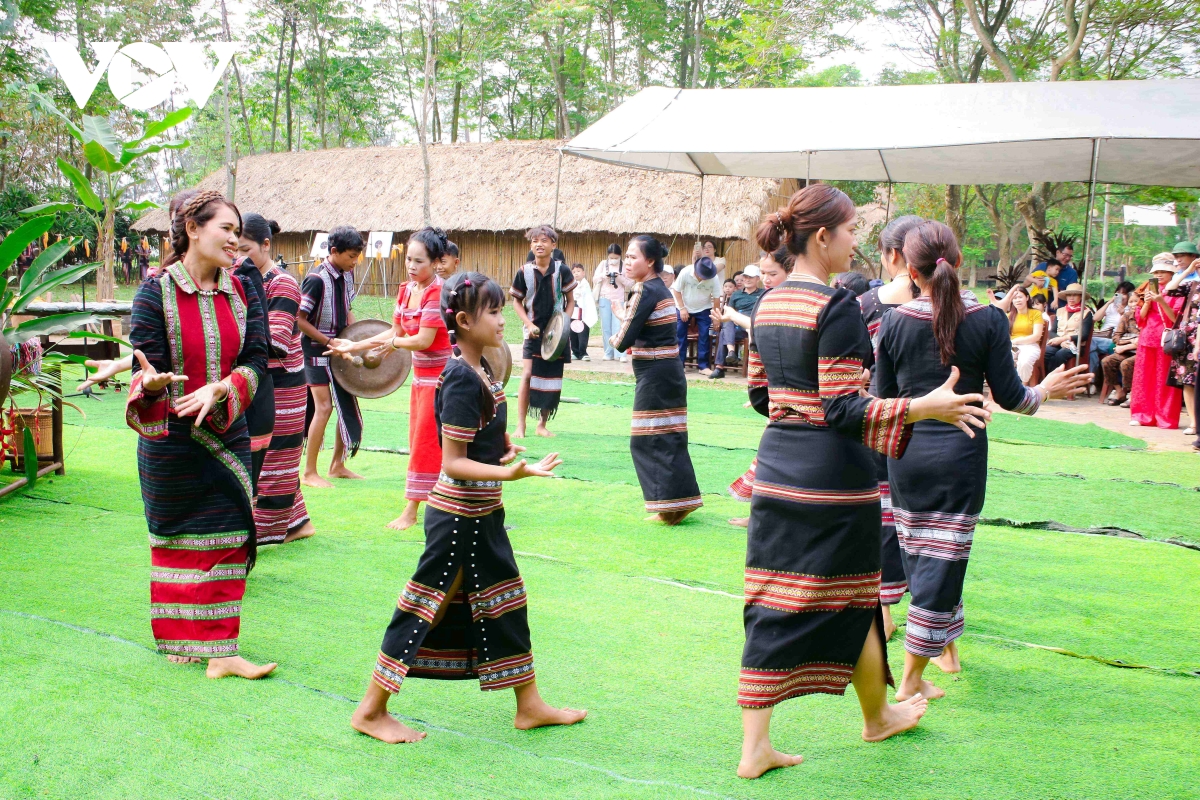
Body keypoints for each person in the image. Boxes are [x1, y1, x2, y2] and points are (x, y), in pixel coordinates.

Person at [737, 187, 995, 780]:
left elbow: (760, 396)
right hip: (833, 478)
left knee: (777, 599)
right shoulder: (836, 306)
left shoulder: (767, 302)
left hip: (777, 468)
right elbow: (843, 410)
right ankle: (874, 716)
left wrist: (800, 413)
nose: (858, 241)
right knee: (854, 593)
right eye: (852, 229)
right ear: (822, 236)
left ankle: (777, 741)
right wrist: (923, 408)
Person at [351, 271, 585, 743]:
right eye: (493, 312)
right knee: (424, 609)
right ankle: (371, 711)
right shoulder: (460, 376)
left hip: (481, 515)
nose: (502, 320)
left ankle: (529, 704)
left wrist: (502, 450)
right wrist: (510, 474)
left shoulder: (480, 370)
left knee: (508, 602)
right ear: (463, 321)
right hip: (458, 519)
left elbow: (477, 440)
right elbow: (453, 463)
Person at [876, 220, 1090, 704]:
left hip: (905, 456)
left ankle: (942, 654)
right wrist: (1045, 390)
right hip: (961, 455)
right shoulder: (988, 319)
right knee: (944, 561)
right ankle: (910, 677)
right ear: (957, 260)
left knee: (922, 554)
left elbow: (881, 400)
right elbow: (1013, 397)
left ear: (911, 270)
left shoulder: (894, 322)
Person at [126, 189, 276, 680]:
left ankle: (222, 651)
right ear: (193, 229)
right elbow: (145, 365)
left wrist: (221, 387)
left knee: (232, 533)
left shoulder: (245, 288)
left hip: (227, 431)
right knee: (178, 540)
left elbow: (256, 358)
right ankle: (185, 639)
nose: (235, 240)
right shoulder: (153, 293)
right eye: (226, 229)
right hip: (171, 441)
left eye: (238, 232)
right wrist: (150, 385)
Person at [327, 228, 453, 530]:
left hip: (443, 378)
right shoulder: (406, 290)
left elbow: (422, 340)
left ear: (436, 262)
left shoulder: (438, 292)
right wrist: (354, 345)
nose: (411, 266)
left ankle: (412, 509)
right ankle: (442, 501)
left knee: (428, 441)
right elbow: (394, 332)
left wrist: (394, 345)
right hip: (421, 379)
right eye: (409, 259)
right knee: (421, 439)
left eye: (419, 261)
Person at [857, 214, 925, 639]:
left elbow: (856, 369)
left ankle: (882, 610)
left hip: (883, 422)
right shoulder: (956, 302)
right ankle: (935, 616)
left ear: (892, 254)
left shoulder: (866, 304)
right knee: (931, 523)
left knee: (883, 516)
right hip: (939, 426)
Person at [611, 235, 702, 525]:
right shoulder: (659, 287)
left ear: (650, 261)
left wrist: (618, 327)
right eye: (626, 257)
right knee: (669, 437)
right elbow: (642, 326)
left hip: (655, 375)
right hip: (667, 372)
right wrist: (624, 316)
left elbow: (622, 341)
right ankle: (679, 505)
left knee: (647, 440)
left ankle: (670, 509)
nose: (627, 262)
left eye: (632, 257)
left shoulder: (644, 289)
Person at [239, 214, 314, 546]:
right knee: (271, 455)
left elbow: (275, 341)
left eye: (245, 250)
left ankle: (266, 530)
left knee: (275, 459)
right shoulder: (242, 278)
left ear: (266, 245)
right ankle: (297, 524)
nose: (238, 257)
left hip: (283, 385)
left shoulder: (282, 283)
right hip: (257, 381)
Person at [725, 247, 792, 528]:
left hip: (795, 396)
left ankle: (767, 516)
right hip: (777, 393)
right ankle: (759, 515)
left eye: (771, 273)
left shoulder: (791, 300)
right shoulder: (769, 299)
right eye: (762, 273)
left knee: (776, 459)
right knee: (770, 458)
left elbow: (755, 328)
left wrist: (732, 315)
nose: (765, 279)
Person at [298, 225, 365, 486]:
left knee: (346, 405)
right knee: (324, 407)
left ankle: (337, 465)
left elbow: (347, 310)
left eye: (357, 256)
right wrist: (328, 341)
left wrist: (356, 340)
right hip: (315, 351)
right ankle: (309, 472)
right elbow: (299, 320)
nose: (354, 262)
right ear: (334, 251)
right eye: (351, 256)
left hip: (340, 350)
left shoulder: (347, 275)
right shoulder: (316, 279)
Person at [510, 226, 576, 438]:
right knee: (527, 375)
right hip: (532, 333)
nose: (539, 244)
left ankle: (542, 424)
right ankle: (520, 425)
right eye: (535, 241)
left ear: (553, 245)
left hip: (556, 335)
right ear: (531, 245)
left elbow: (570, 301)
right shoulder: (524, 272)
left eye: (544, 240)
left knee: (551, 377)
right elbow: (516, 302)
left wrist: (563, 325)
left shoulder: (562, 270)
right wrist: (528, 324)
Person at [1130, 254, 1185, 428]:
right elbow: (1140, 318)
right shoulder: (1147, 288)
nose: (1159, 275)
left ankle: (1165, 417)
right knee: (1143, 378)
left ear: (1171, 273)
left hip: (1166, 339)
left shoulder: (1178, 290)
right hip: (1147, 337)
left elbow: (1176, 319)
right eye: (1156, 272)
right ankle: (1141, 415)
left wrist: (1161, 301)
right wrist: (1147, 302)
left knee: (1164, 380)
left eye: (1163, 271)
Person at [1164, 251, 1200, 436]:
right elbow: (1169, 289)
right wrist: (1188, 271)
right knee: (1188, 380)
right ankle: (1194, 423)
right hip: (1188, 339)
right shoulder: (1192, 285)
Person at [711, 265, 765, 379]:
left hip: (752, 327)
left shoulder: (763, 293)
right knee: (727, 322)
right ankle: (731, 352)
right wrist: (734, 318)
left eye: (751, 277)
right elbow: (729, 311)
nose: (747, 279)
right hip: (736, 328)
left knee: (724, 332)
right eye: (745, 277)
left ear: (757, 279)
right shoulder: (736, 294)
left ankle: (720, 367)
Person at [672, 256, 721, 375]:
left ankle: (703, 367)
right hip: (684, 307)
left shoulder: (714, 277)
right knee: (680, 335)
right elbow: (676, 290)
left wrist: (716, 318)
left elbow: (716, 299)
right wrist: (682, 308)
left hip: (703, 308)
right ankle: (679, 365)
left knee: (704, 336)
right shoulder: (685, 272)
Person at [593, 244, 632, 362]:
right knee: (606, 327)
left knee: (619, 327)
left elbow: (630, 283)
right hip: (604, 298)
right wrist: (604, 276)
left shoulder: (624, 265)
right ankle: (608, 352)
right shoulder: (603, 264)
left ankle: (621, 353)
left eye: (616, 258)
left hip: (619, 299)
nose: (613, 260)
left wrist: (619, 278)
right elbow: (594, 279)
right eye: (611, 258)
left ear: (620, 256)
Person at [1102, 297, 1140, 406]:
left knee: (1126, 364)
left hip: (1141, 352)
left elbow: (1143, 339)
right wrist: (1131, 341)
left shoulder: (1147, 316)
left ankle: (1132, 393)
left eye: (1136, 301)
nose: (1133, 304)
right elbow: (1116, 337)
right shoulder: (1127, 316)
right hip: (1127, 350)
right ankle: (1119, 391)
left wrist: (1127, 345)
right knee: (1107, 361)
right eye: (1131, 302)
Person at [1043, 283, 1087, 374]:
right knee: (1045, 352)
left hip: (1075, 345)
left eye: (1075, 295)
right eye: (1069, 295)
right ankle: (1045, 378)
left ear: (1080, 296)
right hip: (1059, 342)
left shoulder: (1086, 312)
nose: (1071, 297)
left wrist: (1065, 339)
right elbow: (1052, 331)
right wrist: (1061, 341)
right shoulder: (1060, 311)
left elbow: (1084, 335)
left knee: (1060, 354)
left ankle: (1053, 378)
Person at [1005, 287, 1045, 383]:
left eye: (1020, 297)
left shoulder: (1036, 314)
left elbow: (1036, 336)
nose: (1017, 300)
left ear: (1027, 298)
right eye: (1015, 298)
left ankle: (1023, 386)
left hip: (1030, 345)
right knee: (1000, 359)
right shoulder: (1008, 316)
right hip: (1013, 346)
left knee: (1024, 362)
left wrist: (1017, 341)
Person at [569, 263, 598, 360]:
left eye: (578, 271)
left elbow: (587, 299)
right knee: (573, 331)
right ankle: (575, 352)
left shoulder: (585, 285)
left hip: (583, 312)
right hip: (573, 310)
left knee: (582, 331)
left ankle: (583, 352)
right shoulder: (571, 284)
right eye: (574, 272)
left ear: (583, 273)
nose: (576, 273)